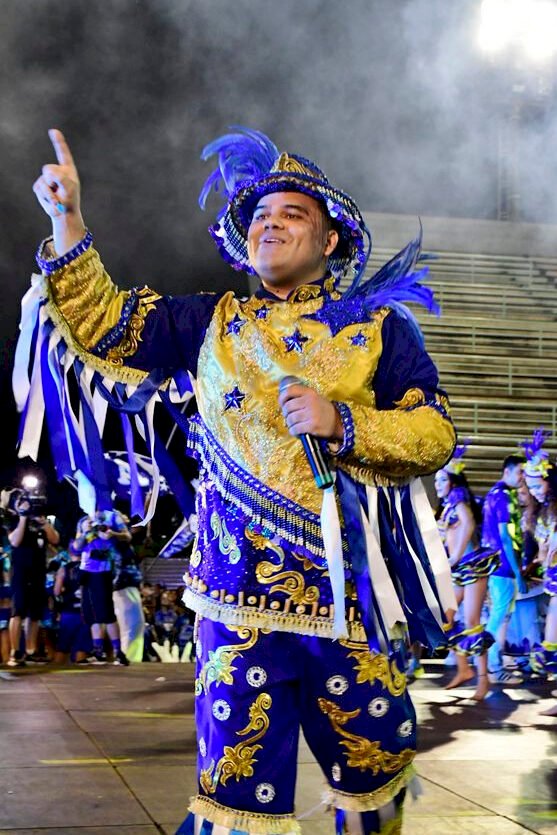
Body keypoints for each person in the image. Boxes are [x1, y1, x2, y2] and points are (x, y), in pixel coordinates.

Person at [21, 126, 456, 835]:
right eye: (258, 215)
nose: (270, 223)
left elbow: (433, 431)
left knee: (373, 774)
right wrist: (66, 217)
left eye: (292, 215)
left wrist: (341, 422)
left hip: (348, 603)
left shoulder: (380, 329)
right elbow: (105, 324)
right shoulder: (208, 320)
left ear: (329, 243)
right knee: (234, 795)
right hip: (236, 601)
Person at [434, 444, 499, 701]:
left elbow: (469, 524)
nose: (437, 484)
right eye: (436, 480)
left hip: (473, 566)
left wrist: (455, 555)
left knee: (472, 622)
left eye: (441, 480)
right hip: (461, 568)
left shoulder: (458, 497)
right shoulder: (449, 504)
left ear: (453, 481)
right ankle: (464, 670)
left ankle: (483, 681)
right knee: (446, 617)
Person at [482, 454, 528, 684]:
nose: (523, 477)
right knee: (498, 617)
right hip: (503, 567)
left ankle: (495, 663)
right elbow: (505, 536)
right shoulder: (502, 497)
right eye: (520, 472)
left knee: (502, 616)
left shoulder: (496, 494)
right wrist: (518, 572)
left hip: (498, 566)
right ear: (507, 471)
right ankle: (493, 667)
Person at [1, 487, 60, 666]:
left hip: (38, 571)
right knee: (18, 611)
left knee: (34, 614)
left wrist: (45, 524)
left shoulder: (40, 521)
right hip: (20, 571)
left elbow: (55, 539)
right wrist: (23, 516)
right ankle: (15, 652)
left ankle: (30, 650)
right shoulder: (13, 519)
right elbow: (14, 541)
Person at [521, 430, 557, 715]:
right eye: (529, 487)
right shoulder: (544, 513)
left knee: (552, 636)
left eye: (537, 486)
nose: (533, 492)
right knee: (551, 639)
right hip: (552, 582)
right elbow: (544, 553)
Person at [73, 508, 130, 666]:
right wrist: (86, 532)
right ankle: (98, 650)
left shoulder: (113, 516)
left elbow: (127, 536)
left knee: (107, 613)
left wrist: (113, 534)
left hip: (103, 570)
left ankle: (118, 651)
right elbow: (77, 547)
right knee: (91, 613)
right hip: (86, 571)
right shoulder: (84, 520)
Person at [53, 538, 92, 664]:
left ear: (70, 552)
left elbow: (56, 592)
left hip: (68, 612)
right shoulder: (91, 567)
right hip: (85, 613)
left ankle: (55, 678)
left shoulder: (64, 569)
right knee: (81, 648)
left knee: (62, 647)